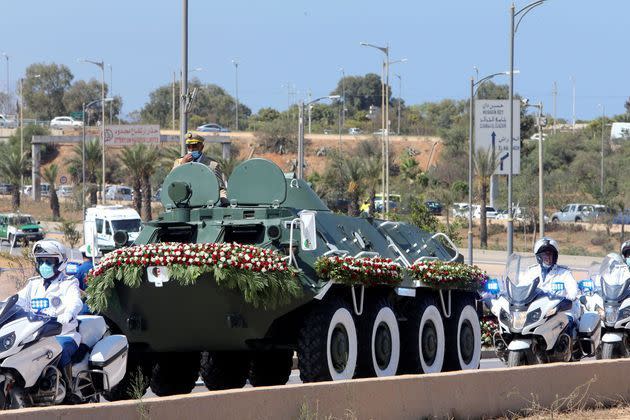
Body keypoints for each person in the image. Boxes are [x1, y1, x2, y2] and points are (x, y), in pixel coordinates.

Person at [17, 239, 82, 388]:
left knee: (60, 349)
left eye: (49, 261)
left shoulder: (68, 283)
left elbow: (75, 301)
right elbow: (17, 300)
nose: (44, 265)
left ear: (60, 262)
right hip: (36, 336)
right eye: (41, 261)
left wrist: (69, 313)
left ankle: (69, 388)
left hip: (64, 334)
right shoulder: (33, 284)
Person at [531, 237, 580, 335]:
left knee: (566, 323)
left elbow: (573, 291)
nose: (548, 258)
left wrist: (569, 298)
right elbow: (521, 287)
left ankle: (566, 349)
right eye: (545, 255)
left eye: (550, 255)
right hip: (538, 311)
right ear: (538, 257)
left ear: (555, 256)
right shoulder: (531, 272)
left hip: (561, 310)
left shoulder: (564, 273)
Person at [173, 132, 227, 202]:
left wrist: (223, 201)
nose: (191, 149)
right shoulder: (179, 162)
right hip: (184, 203)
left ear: (201, 147)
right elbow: (173, 182)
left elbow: (221, 189)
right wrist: (183, 165)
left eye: (194, 146)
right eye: (189, 146)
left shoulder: (212, 165)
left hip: (204, 203)